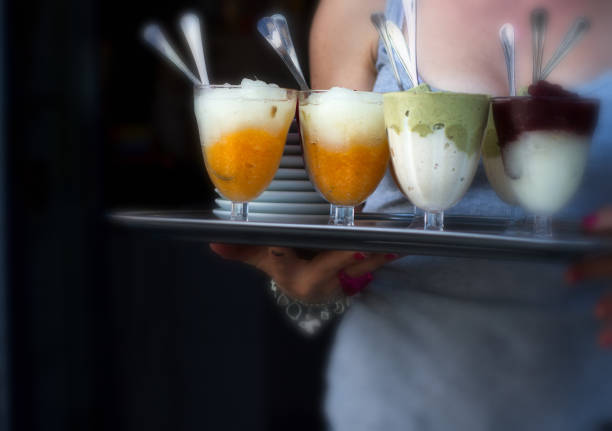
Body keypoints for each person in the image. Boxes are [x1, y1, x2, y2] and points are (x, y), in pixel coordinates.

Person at [212, 0, 612, 429]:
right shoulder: (359, 9)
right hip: (398, 407)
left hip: (590, 405)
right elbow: (339, 229)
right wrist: (307, 290)